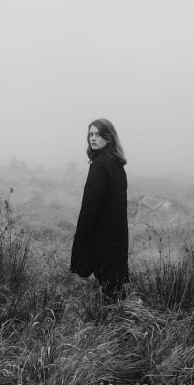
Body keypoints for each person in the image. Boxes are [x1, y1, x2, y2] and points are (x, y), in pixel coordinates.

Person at [70, 118, 129, 301]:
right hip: (117, 236)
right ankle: (124, 317)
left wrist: (80, 237)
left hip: (102, 237)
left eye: (98, 134)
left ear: (109, 138)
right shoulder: (116, 165)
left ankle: (116, 324)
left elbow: (91, 206)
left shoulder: (100, 165)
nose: (93, 138)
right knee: (114, 286)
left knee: (109, 290)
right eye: (90, 134)